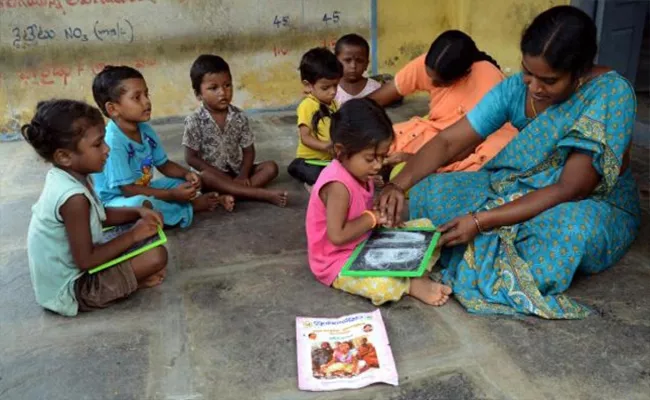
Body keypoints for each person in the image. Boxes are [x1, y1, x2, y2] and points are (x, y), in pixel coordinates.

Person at [377, 6, 640, 319]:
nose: (534, 87)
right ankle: (487, 236)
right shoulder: (517, 88)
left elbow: (571, 187)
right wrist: (398, 184)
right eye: (528, 72)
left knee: (566, 233)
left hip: (589, 201)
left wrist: (481, 220)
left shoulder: (610, 93)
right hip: (517, 184)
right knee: (430, 191)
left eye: (549, 80)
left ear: (581, 71)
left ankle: (485, 243)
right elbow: (449, 141)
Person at [23, 100, 168, 317]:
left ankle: (128, 279)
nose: (107, 149)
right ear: (64, 156)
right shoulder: (73, 199)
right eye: (98, 144)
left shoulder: (72, 175)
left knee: (142, 230)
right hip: (73, 290)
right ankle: (130, 286)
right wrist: (134, 235)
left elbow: (100, 215)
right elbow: (86, 261)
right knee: (156, 256)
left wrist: (137, 212)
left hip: (74, 273)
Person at [306, 98, 452, 306]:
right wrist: (373, 217)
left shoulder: (362, 173)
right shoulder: (337, 185)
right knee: (384, 286)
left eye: (382, 157)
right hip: (337, 261)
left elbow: (363, 213)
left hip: (365, 242)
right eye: (370, 159)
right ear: (340, 151)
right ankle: (410, 284)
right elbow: (337, 236)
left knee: (428, 230)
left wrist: (383, 221)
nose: (378, 165)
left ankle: (409, 272)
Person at [91, 66, 228, 229]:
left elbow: (163, 164)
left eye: (146, 94)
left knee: (179, 183)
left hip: (143, 188)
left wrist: (187, 174)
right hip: (115, 202)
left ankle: (179, 204)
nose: (146, 101)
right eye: (137, 97)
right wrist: (171, 195)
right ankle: (189, 209)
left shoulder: (145, 130)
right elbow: (128, 190)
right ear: (113, 109)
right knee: (143, 203)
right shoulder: (113, 142)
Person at [369, 30, 518, 173]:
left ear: (464, 74)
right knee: (381, 140)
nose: (432, 84)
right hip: (438, 133)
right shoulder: (432, 63)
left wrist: (414, 160)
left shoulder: (487, 79)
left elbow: (467, 143)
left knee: (490, 160)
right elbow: (380, 96)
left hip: (479, 139)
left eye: (440, 82)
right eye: (430, 77)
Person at [183, 54, 288, 208]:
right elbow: (191, 158)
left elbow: (248, 151)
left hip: (236, 172)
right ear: (198, 94)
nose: (223, 92)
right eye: (213, 88)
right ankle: (260, 194)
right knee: (204, 177)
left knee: (270, 167)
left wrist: (243, 175)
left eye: (227, 85)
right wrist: (219, 175)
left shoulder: (239, 116)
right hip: (212, 176)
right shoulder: (194, 120)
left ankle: (229, 195)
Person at [287, 47, 343, 189]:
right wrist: (326, 146)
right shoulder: (308, 105)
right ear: (308, 85)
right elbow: (305, 138)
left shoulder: (334, 104)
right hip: (310, 160)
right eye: (326, 88)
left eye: (335, 85)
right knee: (323, 176)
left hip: (328, 160)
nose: (333, 92)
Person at [334, 34, 382, 106]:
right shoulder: (331, 89)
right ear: (336, 62)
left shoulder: (375, 88)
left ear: (366, 64)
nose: (353, 66)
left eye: (359, 61)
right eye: (347, 60)